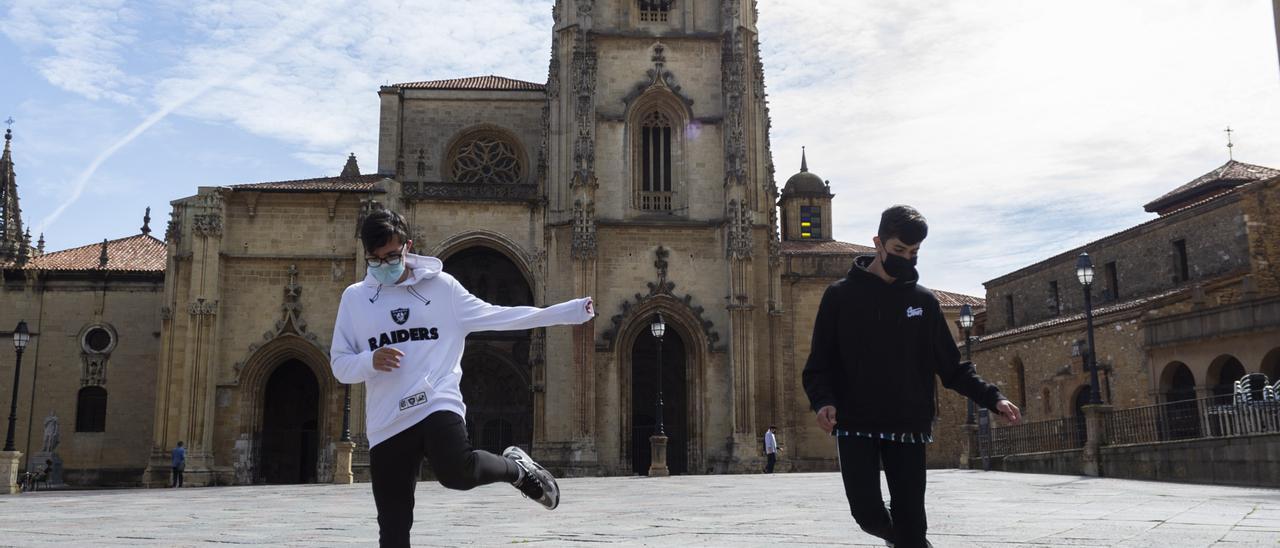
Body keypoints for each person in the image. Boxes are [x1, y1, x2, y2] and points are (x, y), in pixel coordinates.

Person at [331, 209, 595, 548]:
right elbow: (340, 364)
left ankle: (515, 469)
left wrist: (570, 311)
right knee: (393, 527)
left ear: (408, 247)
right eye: (376, 259)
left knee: (458, 472)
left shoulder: (442, 289)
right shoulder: (355, 299)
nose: (385, 265)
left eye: (392, 256)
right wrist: (369, 360)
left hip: (436, 401)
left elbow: (501, 317)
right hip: (388, 421)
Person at [802, 205, 1022, 548]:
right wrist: (823, 401)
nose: (907, 259)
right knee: (868, 514)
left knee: (912, 521)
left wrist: (993, 397)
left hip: (908, 424)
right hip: (855, 422)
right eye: (899, 251)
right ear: (878, 243)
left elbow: (951, 368)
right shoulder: (839, 297)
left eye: (914, 252)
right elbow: (819, 362)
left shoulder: (925, 303)